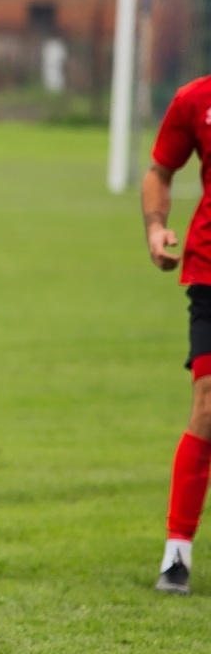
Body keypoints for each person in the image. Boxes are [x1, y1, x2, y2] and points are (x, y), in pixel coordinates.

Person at [144, 72, 211, 595]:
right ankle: (177, 558)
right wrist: (155, 225)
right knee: (207, 405)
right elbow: (160, 170)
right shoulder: (195, 98)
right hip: (209, 268)